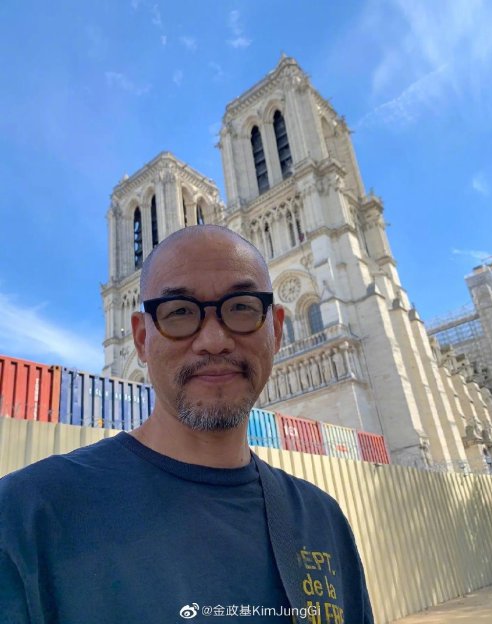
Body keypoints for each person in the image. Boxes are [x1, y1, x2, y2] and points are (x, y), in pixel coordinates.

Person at [0, 225, 373, 624]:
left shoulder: (323, 520)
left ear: (276, 330)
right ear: (141, 340)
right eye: (179, 312)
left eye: (242, 307)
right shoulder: (26, 517)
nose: (214, 340)